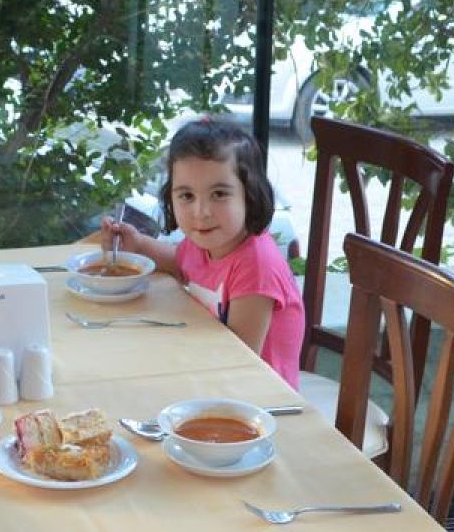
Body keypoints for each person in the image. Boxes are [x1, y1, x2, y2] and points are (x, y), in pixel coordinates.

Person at [103, 116, 304, 387]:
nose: (201, 212)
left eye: (219, 194)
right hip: (215, 377)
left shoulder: (257, 265)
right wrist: (137, 245)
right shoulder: (206, 243)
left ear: (250, 194)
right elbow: (178, 262)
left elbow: (239, 359)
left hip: (259, 397)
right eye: (187, 196)